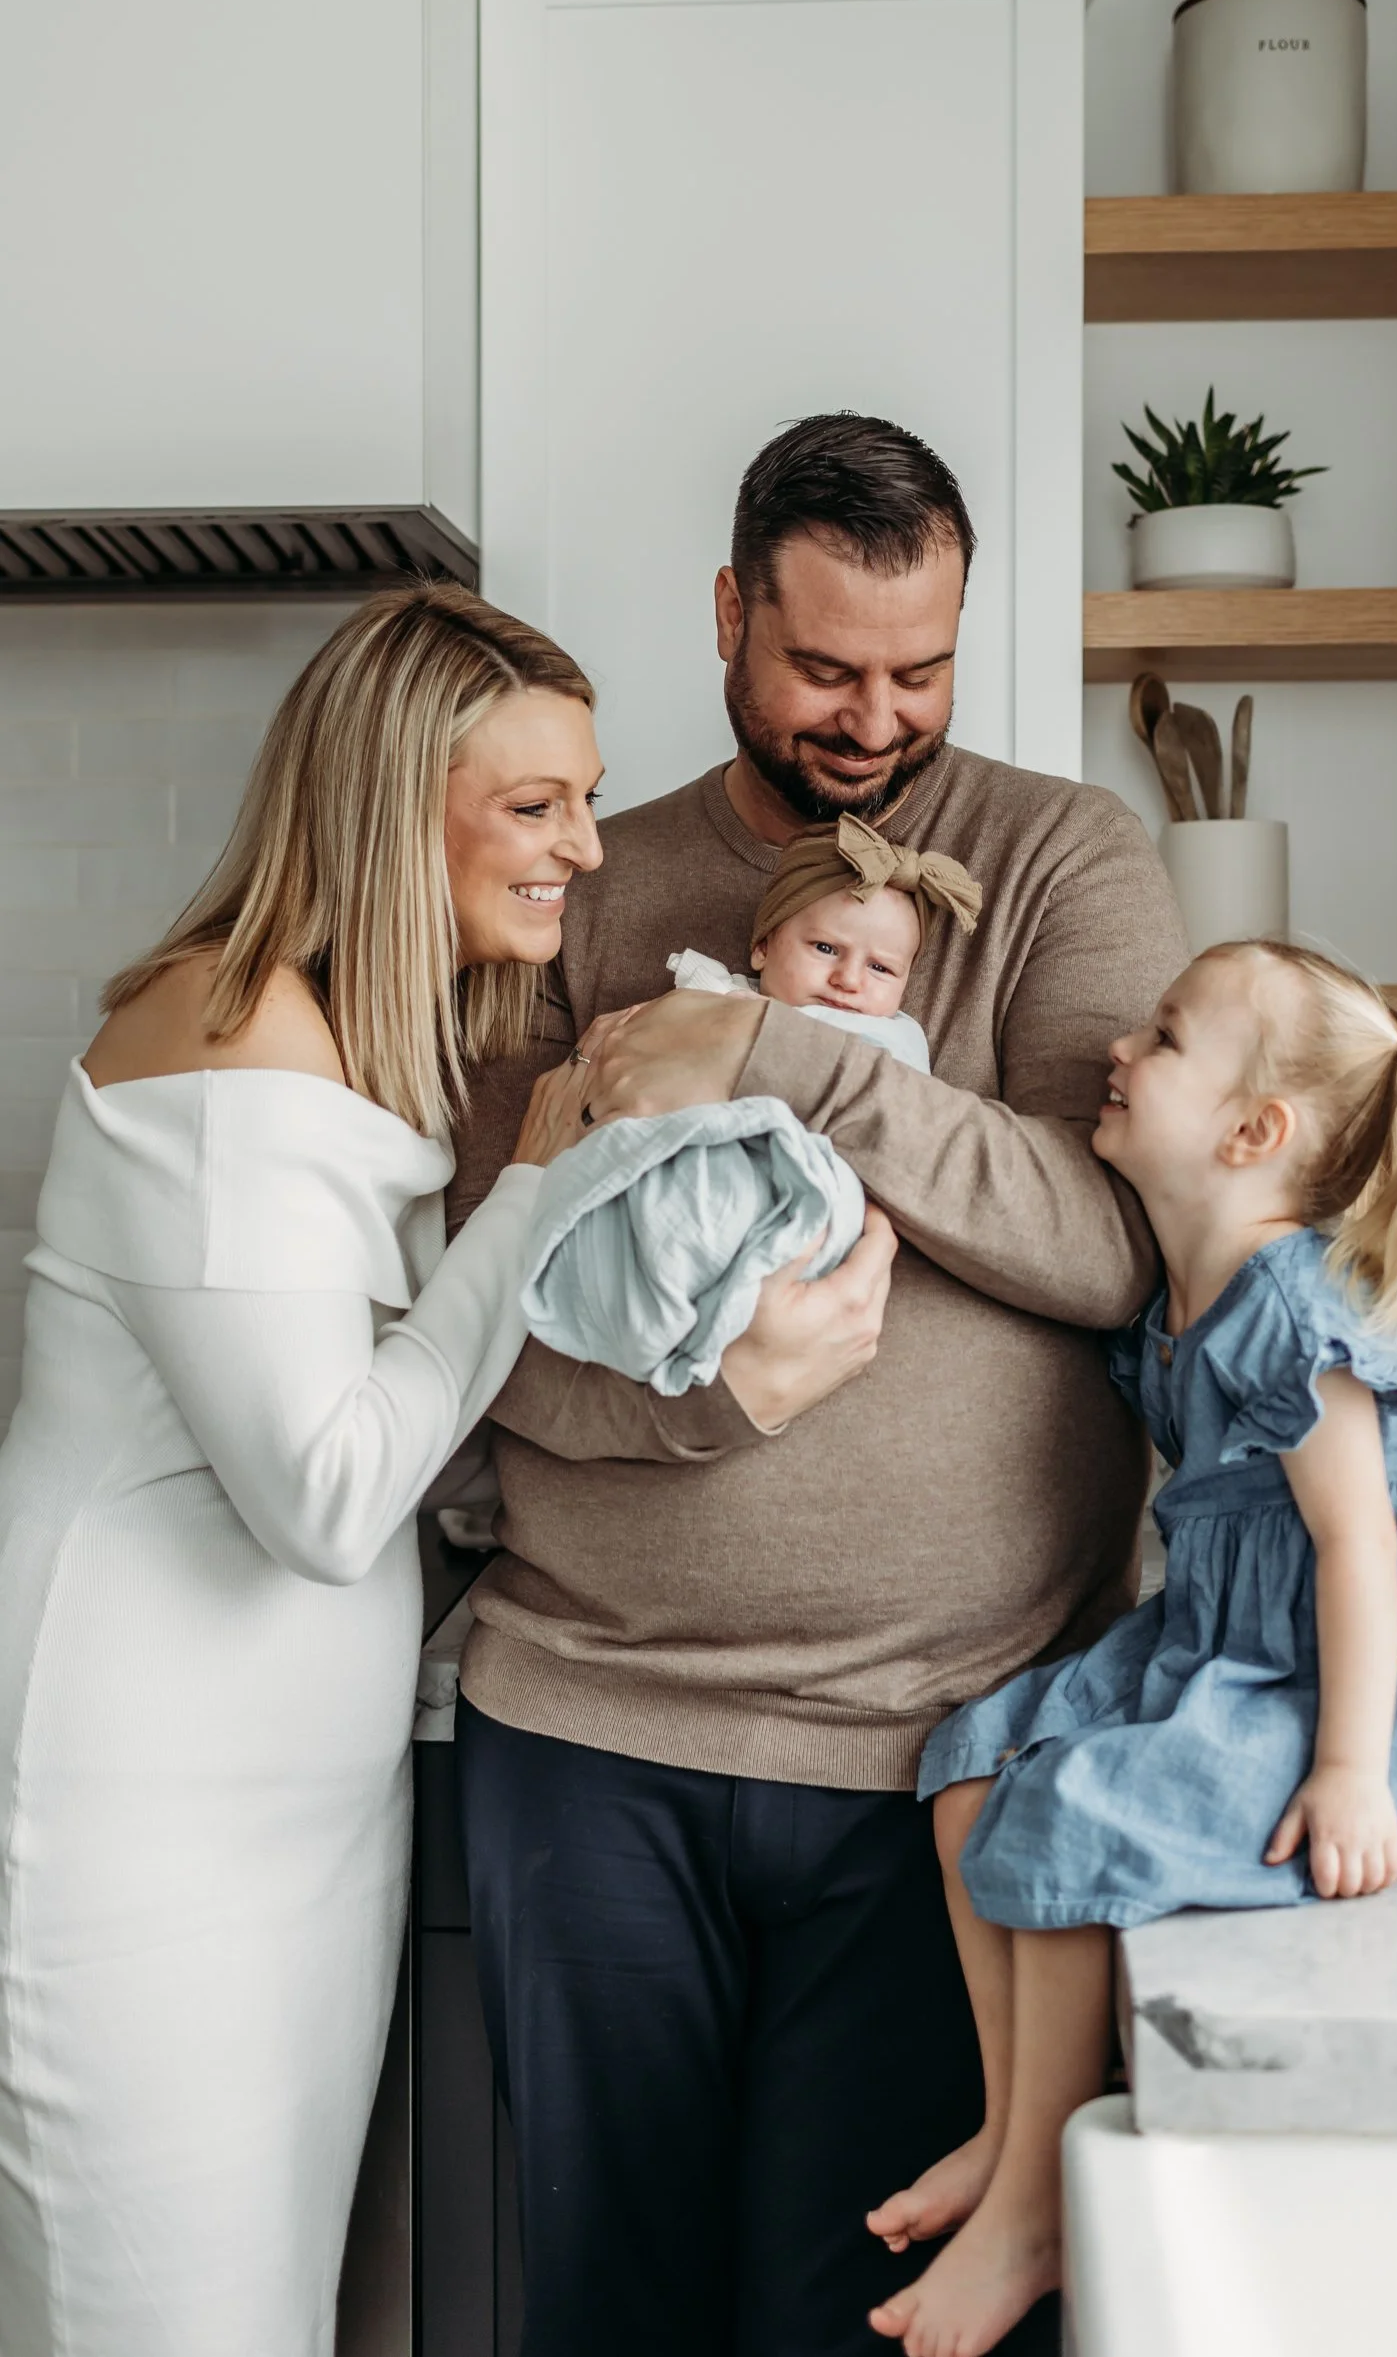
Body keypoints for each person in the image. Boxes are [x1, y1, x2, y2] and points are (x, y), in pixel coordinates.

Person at [0, 580, 881, 2357]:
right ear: (395, 800)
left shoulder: (331, 1034)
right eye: (533, 804)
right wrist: (547, 1187)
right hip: (132, 1819)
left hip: (281, 1811)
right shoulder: (227, 1041)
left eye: (587, 793)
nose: (582, 848)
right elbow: (327, 1491)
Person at [448, 411, 1187, 2356]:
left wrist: (779, 1047)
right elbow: (473, 1290)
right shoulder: (577, 873)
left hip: (939, 1762)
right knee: (614, 2315)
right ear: (727, 616)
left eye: (920, 669)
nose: (875, 716)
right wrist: (713, 1404)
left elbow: (1113, 1240)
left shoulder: (1057, 861)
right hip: (591, 1730)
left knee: (864, 2324)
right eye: (824, 668)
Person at [867, 940, 1397, 2357]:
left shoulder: (1289, 1303)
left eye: (1164, 1034)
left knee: (1078, 1807)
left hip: (1379, 1679)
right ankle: (1010, 2130)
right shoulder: (1181, 1295)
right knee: (972, 1765)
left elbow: (1361, 1546)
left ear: (1251, 1132)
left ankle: (1033, 2206)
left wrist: (1352, 1771)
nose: (1121, 1049)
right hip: (1240, 1632)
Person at [671, 810, 984, 1071]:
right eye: (825, 948)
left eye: (880, 967)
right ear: (763, 947)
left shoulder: (892, 1039)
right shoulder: (716, 992)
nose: (847, 980)